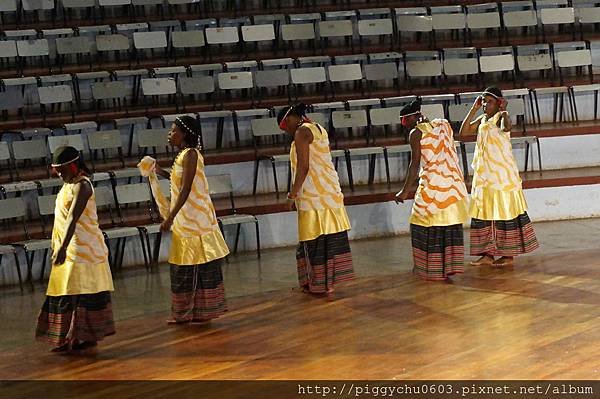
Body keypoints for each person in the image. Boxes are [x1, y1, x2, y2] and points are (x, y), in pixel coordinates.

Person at [151, 116, 230, 324]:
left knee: (196, 264)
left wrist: (170, 217)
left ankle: (200, 312)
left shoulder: (192, 155)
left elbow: (186, 190)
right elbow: (179, 182)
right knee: (183, 265)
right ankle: (185, 312)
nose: (170, 133)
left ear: (185, 133)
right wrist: (159, 172)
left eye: (173, 130)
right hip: (186, 219)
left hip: (195, 219)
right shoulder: (182, 155)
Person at [36, 146, 115, 352]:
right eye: (57, 170)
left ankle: (82, 337)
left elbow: (73, 218)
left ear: (73, 166)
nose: (59, 174)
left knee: (82, 292)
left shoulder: (83, 186)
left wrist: (62, 247)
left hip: (84, 249)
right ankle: (67, 338)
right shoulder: (68, 184)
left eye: (62, 170)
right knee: (66, 292)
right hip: (69, 247)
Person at [277, 104, 354, 296]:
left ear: (292, 118)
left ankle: (319, 285)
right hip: (330, 192)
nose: (285, 129)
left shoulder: (302, 132)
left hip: (314, 195)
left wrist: (291, 195)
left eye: (284, 124)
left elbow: (303, 167)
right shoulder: (318, 128)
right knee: (327, 240)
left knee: (314, 240)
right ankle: (325, 283)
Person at [459, 87, 539, 267]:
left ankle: (508, 255)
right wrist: (473, 108)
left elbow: (507, 127)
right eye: (484, 101)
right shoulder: (482, 119)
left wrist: (504, 111)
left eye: (490, 101)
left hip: (502, 176)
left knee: (503, 212)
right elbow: (464, 133)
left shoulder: (501, 118)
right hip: (484, 174)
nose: (486, 105)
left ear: (499, 103)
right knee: (485, 212)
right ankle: (488, 255)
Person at [395, 100, 469, 281]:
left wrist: (404, 191)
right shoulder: (444, 124)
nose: (405, 126)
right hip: (453, 186)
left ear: (413, 117)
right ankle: (449, 267)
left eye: (405, 121)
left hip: (433, 186)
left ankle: (429, 268)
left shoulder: (416, 133)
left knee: (420, 222)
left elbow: (414, 166)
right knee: (449, 224)